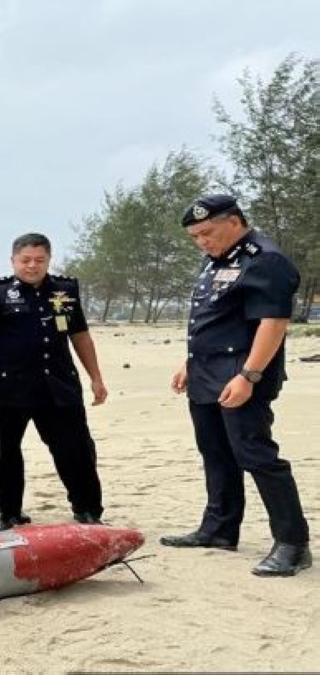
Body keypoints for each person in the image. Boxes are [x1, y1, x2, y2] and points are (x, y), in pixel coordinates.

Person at [161, 194, 312, 577]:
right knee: (215, 453)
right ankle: (219, 529)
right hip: (206, 372)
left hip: (242, 375)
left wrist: (249, 376)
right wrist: (189, 363)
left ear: (234, 221)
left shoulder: (265, 260)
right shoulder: (217, 260)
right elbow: (215, 318)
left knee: (256, 455)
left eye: (207, 233)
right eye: (195, 237)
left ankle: (293, 543)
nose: (202, 242)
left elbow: (273, 323)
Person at [0, 233, 107, 532]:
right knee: (3, 454)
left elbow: (80, 335)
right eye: (25, 260)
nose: (32, 266)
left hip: (57, 387)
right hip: (8, 389)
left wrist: (95, 377)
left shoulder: (65, 290)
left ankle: (87, 509)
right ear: (13, 261)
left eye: (39, 260)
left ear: (48, 259)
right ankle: (6, 513)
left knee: (75, 450)